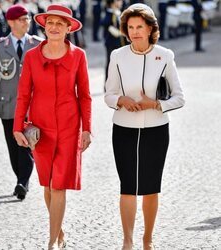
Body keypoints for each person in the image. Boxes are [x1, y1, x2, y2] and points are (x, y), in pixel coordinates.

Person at [104, 3, 185, 250]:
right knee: (127, 186)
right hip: (123, 129)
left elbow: (179, 98)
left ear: (151, 29)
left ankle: (147, 240)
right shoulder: (117, 56)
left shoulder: (165, 55)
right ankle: (127, 242)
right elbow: (108, 94)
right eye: (130, 27)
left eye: (140, 27)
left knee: (151, 187)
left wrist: (156, 104)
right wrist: (121, 100)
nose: (135, 32)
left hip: (156, 130)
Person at [13, 4, 91, 249]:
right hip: (40, 128)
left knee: (59, 185)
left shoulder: (79, 55)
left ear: (69, 28)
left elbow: (85, 95)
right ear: (44, 26)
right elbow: (23, 94)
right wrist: (17, 127)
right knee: (47, 183)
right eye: (50, 23)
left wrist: (87, 128)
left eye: (60, 23)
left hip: (69, 127)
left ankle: (51, 242)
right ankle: (59, 231)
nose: (54, 27)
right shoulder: (32, 56)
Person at [0, 4, 43, 200]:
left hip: (32, 105)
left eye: (27, 19)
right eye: (22, 19)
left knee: (27, 143)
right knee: (13, 146)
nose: (27, 22)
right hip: (8, 103)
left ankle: (22, 183)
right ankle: (20, 178)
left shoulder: (37, 44)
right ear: (11, 22)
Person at [101, 0, 126, 81]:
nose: (121, 2)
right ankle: (107, 84)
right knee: (111, 64)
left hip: (119, 43)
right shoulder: (109, 13)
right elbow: (109, 27)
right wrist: (122, 33)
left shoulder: (118, 13)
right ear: (112, 2)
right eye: (119, 0)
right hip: (111, 43)